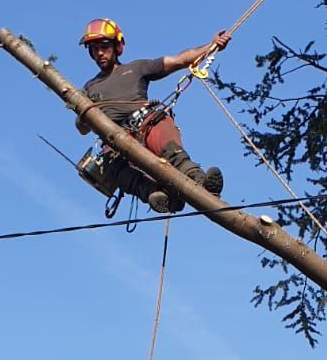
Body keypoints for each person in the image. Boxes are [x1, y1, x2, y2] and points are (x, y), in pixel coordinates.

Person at [76, 18, 230, 214]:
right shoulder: (90, 88)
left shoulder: (136, 68)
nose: (99, 53)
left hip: (147, 124)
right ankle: (160, 196)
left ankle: (203, 183)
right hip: (118, 143)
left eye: (104, 46)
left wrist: (211, 46)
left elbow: (179, 60)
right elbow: (82, 129)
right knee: (113, 166)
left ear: (116, 46)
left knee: (170, 149)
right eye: (94, 49)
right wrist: (84, 113)